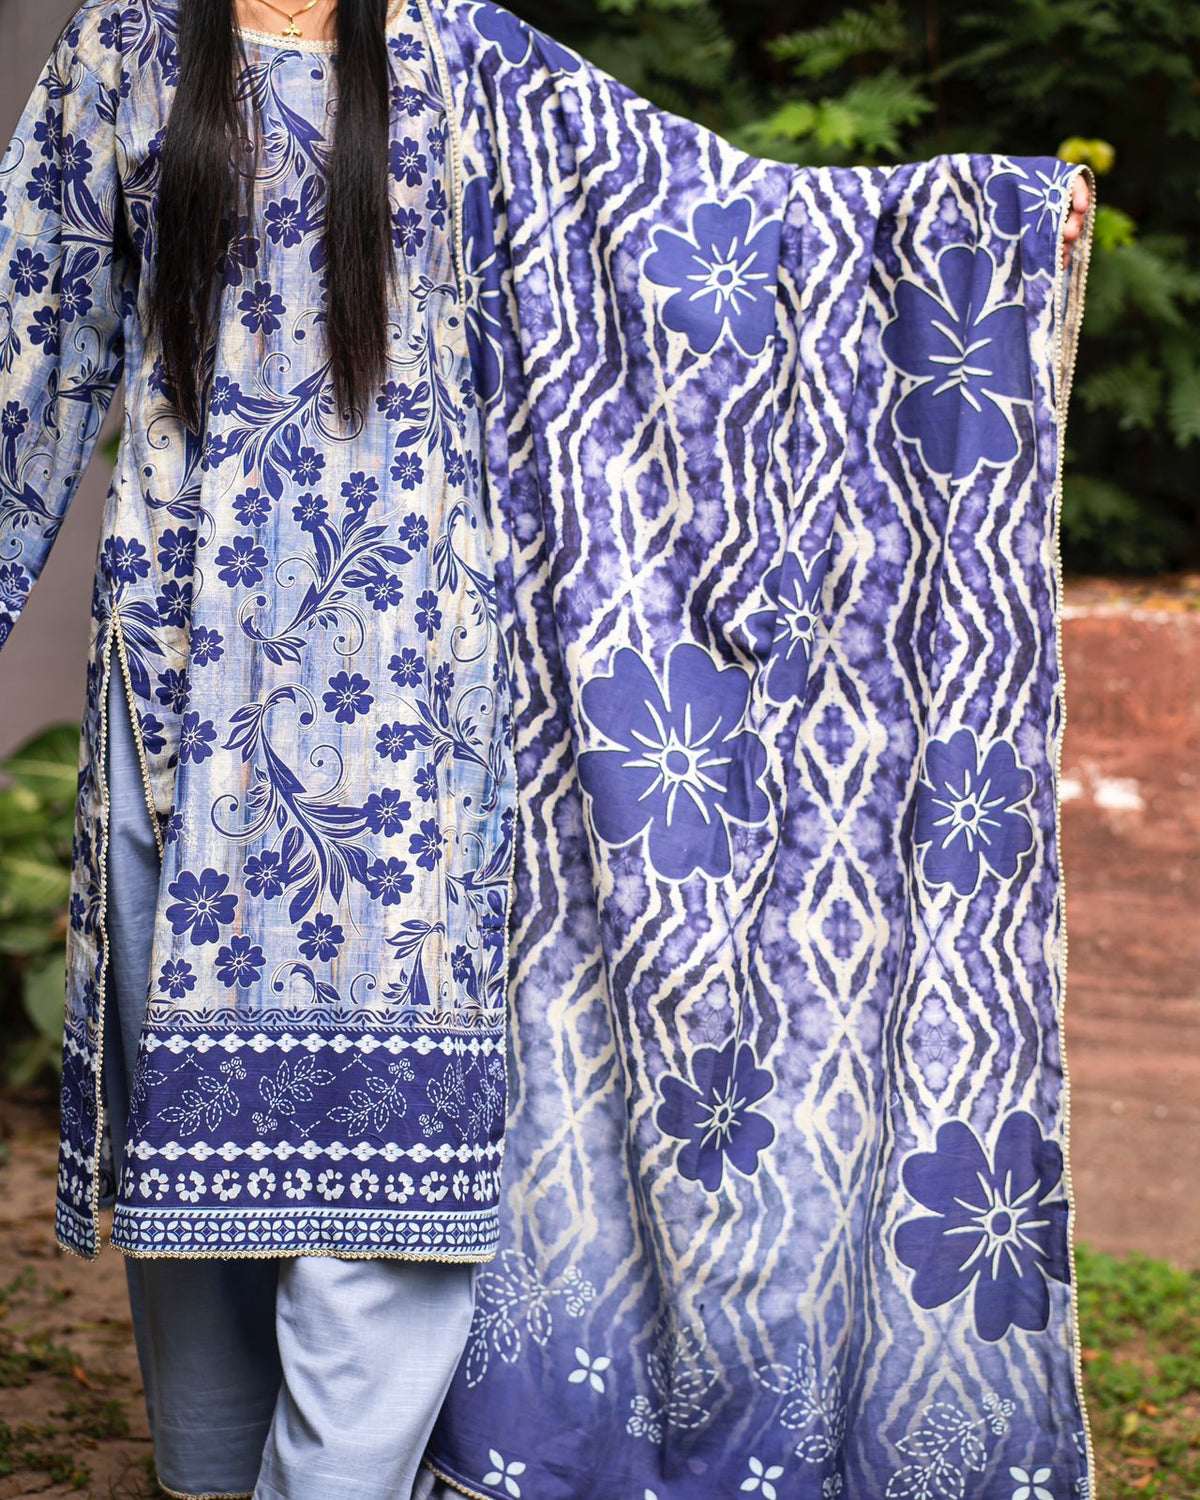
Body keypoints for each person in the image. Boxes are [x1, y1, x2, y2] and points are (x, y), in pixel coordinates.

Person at [0, 0, 1094, 1497]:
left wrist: (986, 224)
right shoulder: (122, 48)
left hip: (411, 737)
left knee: (385, 1207)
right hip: (182, 715)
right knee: (202, 1190)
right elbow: (21, 358)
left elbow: (715, 224)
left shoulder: (468, 56)